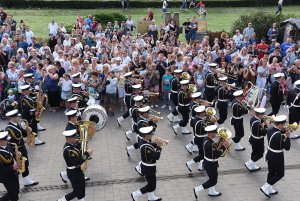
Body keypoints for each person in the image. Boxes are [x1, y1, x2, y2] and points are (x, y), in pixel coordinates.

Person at [193, 125, 230, 198]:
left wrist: (220, 139)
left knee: (212, 178)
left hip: (208, 162)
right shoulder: (210, 145)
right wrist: (224, 146)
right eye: (215, 132)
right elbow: (216, 155)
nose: (216, 134)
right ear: (210, 133)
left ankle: (211, 191)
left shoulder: (206, 139)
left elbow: (214, 147)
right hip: (211, 164)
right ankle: (197, 189)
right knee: (213, 181)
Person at [5, 109, 40, 187]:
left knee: (25, 163)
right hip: (17, 150)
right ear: (12, 118)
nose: (18, 117)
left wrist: (27, 130)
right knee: (20, 165)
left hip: (22, 147)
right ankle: (16, 182)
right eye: (17, 116)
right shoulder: (8, 129)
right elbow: (9, 142)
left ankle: (26, 179)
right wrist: (22, 140)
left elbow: (21, 133)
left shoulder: (17, 124)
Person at [260, 115, 290, 198]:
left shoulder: (270, 129)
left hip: (270, 154)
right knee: (280, 174)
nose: (285, 125)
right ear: (280, 125)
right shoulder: (279, 135)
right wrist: (288, 137)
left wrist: (283, 131)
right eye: (284, 124)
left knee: (271, 172)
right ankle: (266, 187)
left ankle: (269, 188)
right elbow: (287, 147)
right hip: (277, 156)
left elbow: (276, 135)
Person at [58, 129, 93, 201]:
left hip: (77, 171)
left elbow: (78, 147)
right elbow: (77, 161)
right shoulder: (69, 150)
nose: (76, 139)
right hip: (74, 173)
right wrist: (87, 154)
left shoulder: (71, 144)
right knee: (76, 192)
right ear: (69, 139)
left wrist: (84, 142)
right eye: (74, 137)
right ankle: (61, 200)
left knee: (81, 187)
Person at [131, 126, 162, 201]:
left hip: (147, 167)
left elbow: (149, 145)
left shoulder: (142, 141)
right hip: (149, 168)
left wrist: (154, 144)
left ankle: (151, 197)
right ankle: (136, 194)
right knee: (152, 186)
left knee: (151, 183)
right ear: (147, 135)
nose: (152, 135)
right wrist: (158, 147)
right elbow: (156, 156)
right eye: (151, 134)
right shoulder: (146, 147)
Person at [244, 108, 267, 172]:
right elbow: (264, 133)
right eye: (263, 114)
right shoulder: (258, 124)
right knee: (260, 154)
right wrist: (266, 125)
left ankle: (252, 165)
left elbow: (259, 124)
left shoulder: (253, 118)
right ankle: (249, 163)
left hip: (253, 138)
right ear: (259, 115)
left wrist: (263, 120)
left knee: (254, 152)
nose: (264, 115)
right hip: (258, 140)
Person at [0, 131, 20, 201]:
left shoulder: (7, 145)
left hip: (13, 173)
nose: (7, 140)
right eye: (6, 140)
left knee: (16, 191)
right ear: (1, 141)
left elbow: (11, 153)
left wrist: (17, 155)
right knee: (12, 193)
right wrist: (13, 167)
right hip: (6, 176)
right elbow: (1, 170)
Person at [185, 105, 206, 171]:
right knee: (202, 155)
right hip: (201, 139)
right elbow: (207, 130)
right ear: (201, 113)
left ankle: (200, 166)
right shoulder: (201, 122)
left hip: (197, 138)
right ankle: (189, 163)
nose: (205, 113)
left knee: (202, 153)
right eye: (204, 112)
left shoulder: (195, 118)